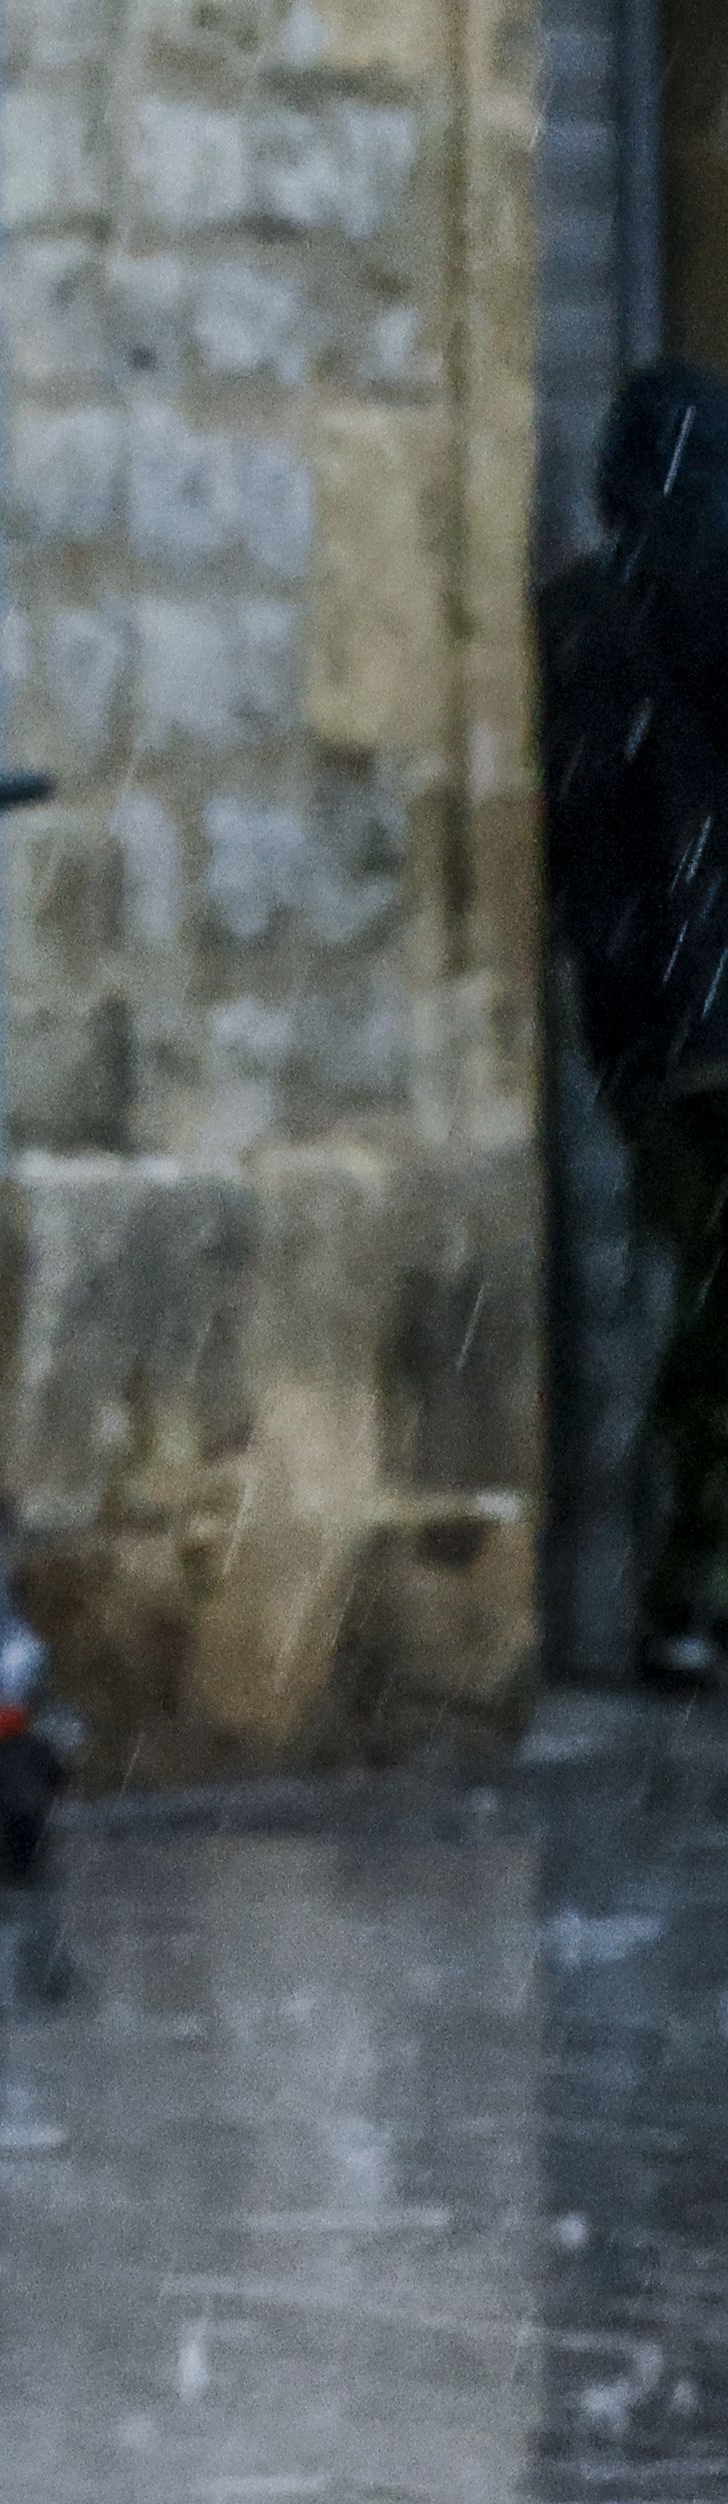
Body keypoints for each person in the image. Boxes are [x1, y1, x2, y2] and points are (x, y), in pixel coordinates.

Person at [540, 358, 728, 1686]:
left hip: (657, 1025)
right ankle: (689, 1586)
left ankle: (691, 1587)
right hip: (677, 1028)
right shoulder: (616, 624)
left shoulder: (587, 620)